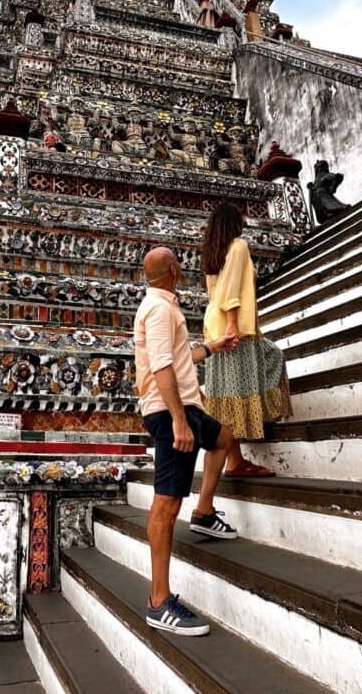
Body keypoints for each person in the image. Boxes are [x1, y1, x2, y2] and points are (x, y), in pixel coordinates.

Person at [135, 246, 238, 637]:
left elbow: (177, 357)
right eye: (179, 261)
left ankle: (204, 511)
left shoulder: (161, 305)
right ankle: (159, 601)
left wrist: (212, 347)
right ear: (174, 269)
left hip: (184, 406)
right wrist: (178, 419)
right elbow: (162, 366)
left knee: (223, 437)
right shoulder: (160, 310)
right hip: (169, 410)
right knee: (166, 503)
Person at [201, 203, 292, 477]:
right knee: (271, 359)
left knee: (228, 394)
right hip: (233, 328)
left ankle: (236, 458)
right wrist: (232, 325)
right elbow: (230, 291)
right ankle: (236, 460)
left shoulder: (214, 254)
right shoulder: (238, 246)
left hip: (215, 328)